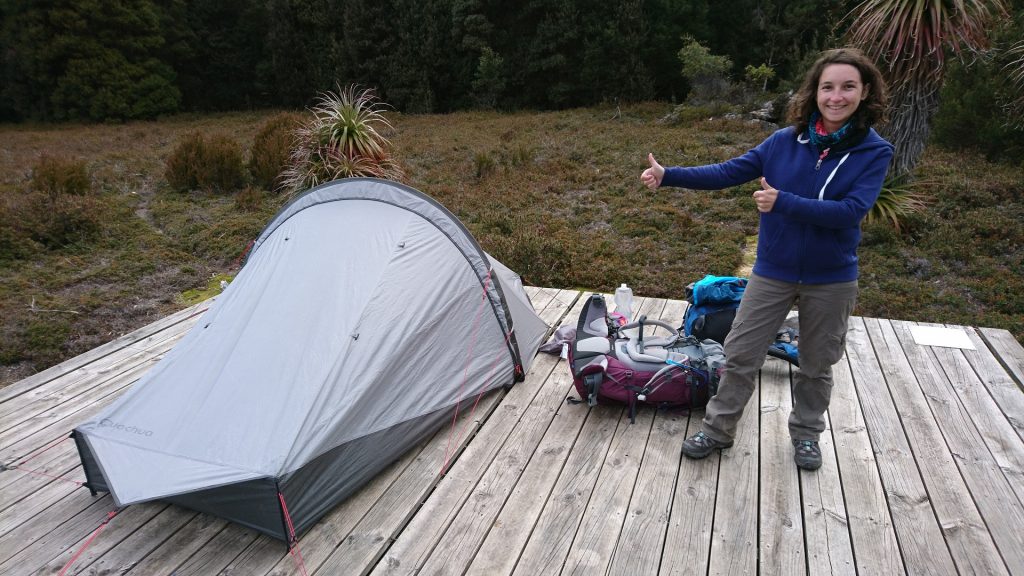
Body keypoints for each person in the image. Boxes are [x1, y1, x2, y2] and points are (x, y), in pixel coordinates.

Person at [640, 47, 892, 471]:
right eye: (828, 86)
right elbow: (728, 171)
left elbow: (851, 211)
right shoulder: (783, 141)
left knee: (816, 364)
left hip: (831, 278)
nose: (836, 96)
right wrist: (670, 176)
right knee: (740, 354)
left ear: (864, 92)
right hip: (773, 271)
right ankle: (718, 430)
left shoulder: (873, 151)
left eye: (848, 87)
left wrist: (783, 202)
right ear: (814, 92)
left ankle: (807, 436)